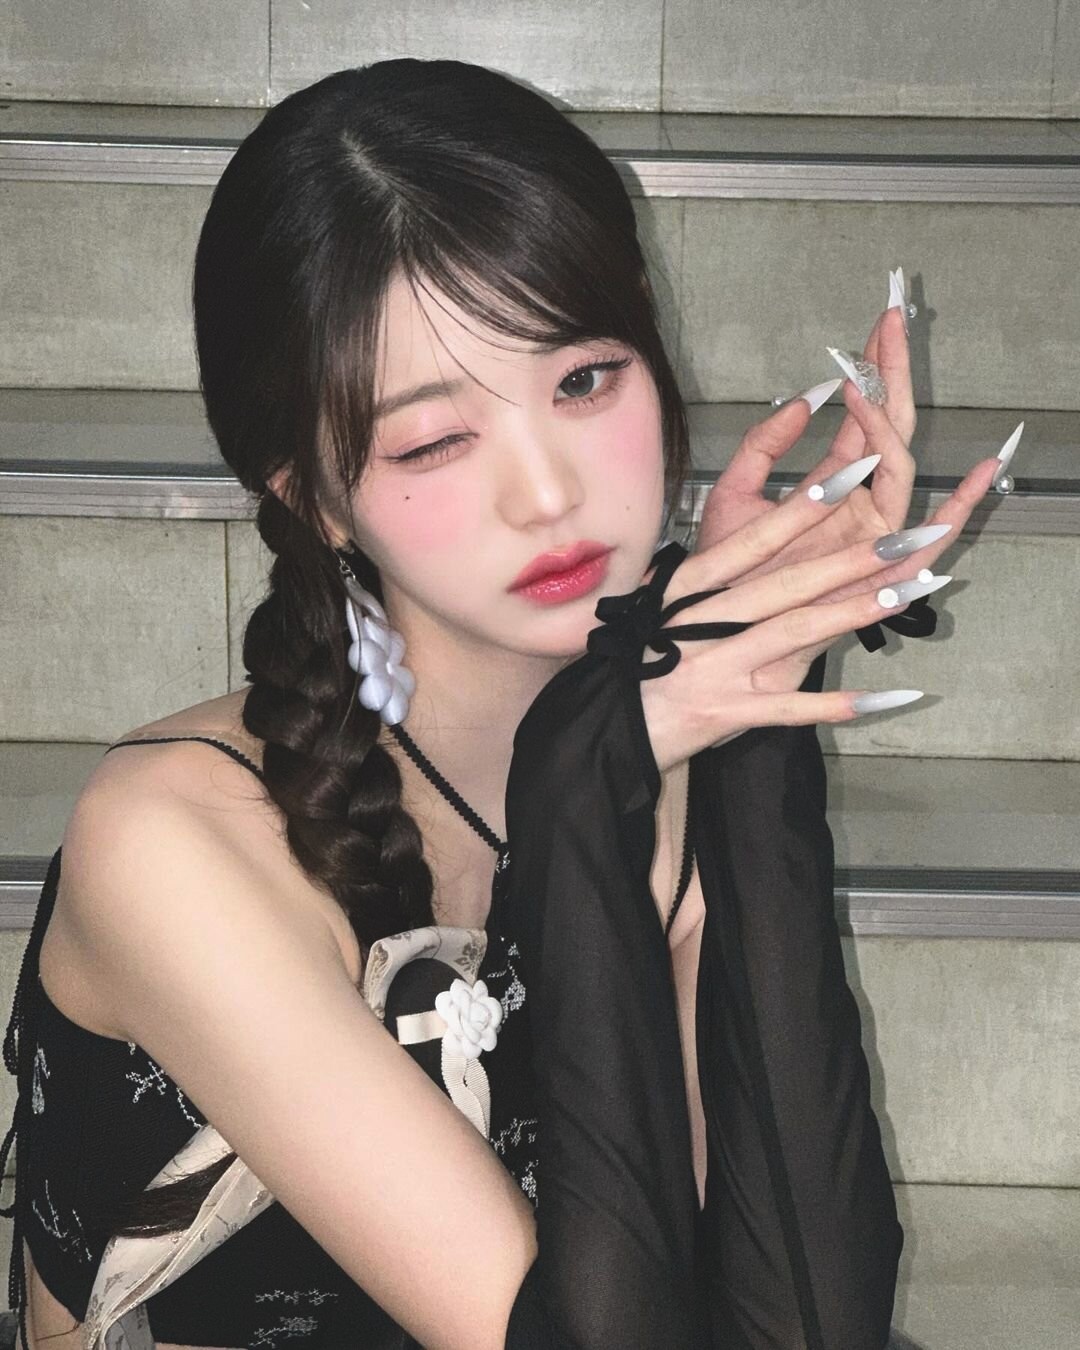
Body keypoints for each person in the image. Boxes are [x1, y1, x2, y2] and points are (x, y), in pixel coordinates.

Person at [0, 58, 1012, 1350]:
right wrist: (591, 783)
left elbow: (803, 1313)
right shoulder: (174, 840)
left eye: (584, 381)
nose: (548, 493)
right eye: (432, 440)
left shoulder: (658, 728)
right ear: (313, 498)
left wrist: (763, 683)